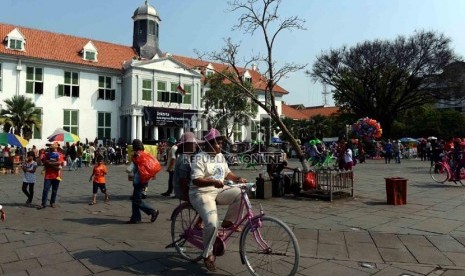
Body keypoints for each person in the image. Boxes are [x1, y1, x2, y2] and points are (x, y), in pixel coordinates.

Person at [189, 128, 247, 272]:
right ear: (208, 144)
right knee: (212, 222)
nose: (220, 146)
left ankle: (229, 221)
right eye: (217, 143)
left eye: (221, 143)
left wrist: (238, 178)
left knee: (241, 193)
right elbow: (196, 180)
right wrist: (212, 182)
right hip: (201, 192)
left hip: (218, 189)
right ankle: (207, 255)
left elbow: (227, 173)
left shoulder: (220, 157)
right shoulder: (199, 158)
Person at [127, 139, 159, 224]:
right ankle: (135, 218)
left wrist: (133, 157)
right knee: (135, 199)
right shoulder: (146, 154)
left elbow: (134, 166)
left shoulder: (137, 155)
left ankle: (153, 211)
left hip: (139, 179)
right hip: (144, 179)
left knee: (137, 201)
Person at [173, 132, 202, 201]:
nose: (196, 145)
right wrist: (187, 196)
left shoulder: (184, 157)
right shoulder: (184, 159)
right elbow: (183, 181)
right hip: (183, 192)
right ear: (187, 145)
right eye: (194, 143)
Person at [37, 143, 64, 209]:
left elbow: (59, 163)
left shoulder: (60, 155)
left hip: (57, 175)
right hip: (48, 175)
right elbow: (45, 162)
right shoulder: (47, 154)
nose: (51, 149)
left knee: (54, 190)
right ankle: (43, 203)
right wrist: (53, 164)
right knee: (45, 190)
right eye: (50, 148)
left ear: (56, 148)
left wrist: (50, 163)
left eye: (52, 148)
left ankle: (52, 202)